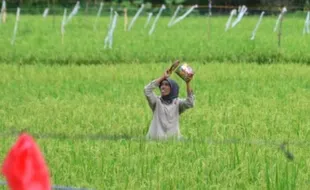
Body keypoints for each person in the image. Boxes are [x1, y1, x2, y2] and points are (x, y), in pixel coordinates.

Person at [144, 69, 195, 140]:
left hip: (173, 141)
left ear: (173, 89)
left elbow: (190, 103)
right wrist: (163, 77)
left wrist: (188, 83)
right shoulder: (156, 102)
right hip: (154, 140)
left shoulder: (177, 103)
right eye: (161, 84)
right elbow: (147, 90)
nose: (163, 87)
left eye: (167, 85)